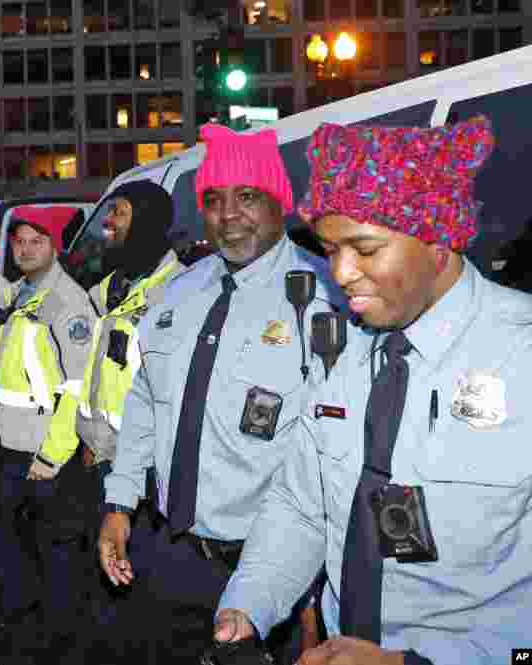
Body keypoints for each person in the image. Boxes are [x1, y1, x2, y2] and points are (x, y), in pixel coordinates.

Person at [215, 116, 526, 665]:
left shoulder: (521, 355)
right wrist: (250, 604)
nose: (341, 273)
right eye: (330, 249)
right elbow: (302, 505)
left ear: (438, 241)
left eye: (364, 248)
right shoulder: (346, 352)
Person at [98, 124, 342, 664]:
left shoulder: (326, 301)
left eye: (248, 196)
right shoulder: (178, 293)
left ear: (281, 202)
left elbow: (333, 457)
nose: (229, 215)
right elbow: (145, 401)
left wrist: (308, 589)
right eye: (213, 200)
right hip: (166, 550)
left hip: (269, 571)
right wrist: (120, 502)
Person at [68, 180, 183, 646]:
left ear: (148, 220)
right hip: (100, 464)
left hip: (146, 480)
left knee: (141, 603)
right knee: (102, 593)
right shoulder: (110, 287)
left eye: (118, 212)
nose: (108, 223)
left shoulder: (177, 292)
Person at [0, 205, 98, 659]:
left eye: (37, 241)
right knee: (17, 557)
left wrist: (53, 455)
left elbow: (77, 385)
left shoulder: (68, 303)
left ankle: (60, 647)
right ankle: (25, 641)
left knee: (55, 563)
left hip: (44, 457)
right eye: (20, 242)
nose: (26, 249)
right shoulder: (19, 294)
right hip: (10, 448)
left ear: (55, 247)